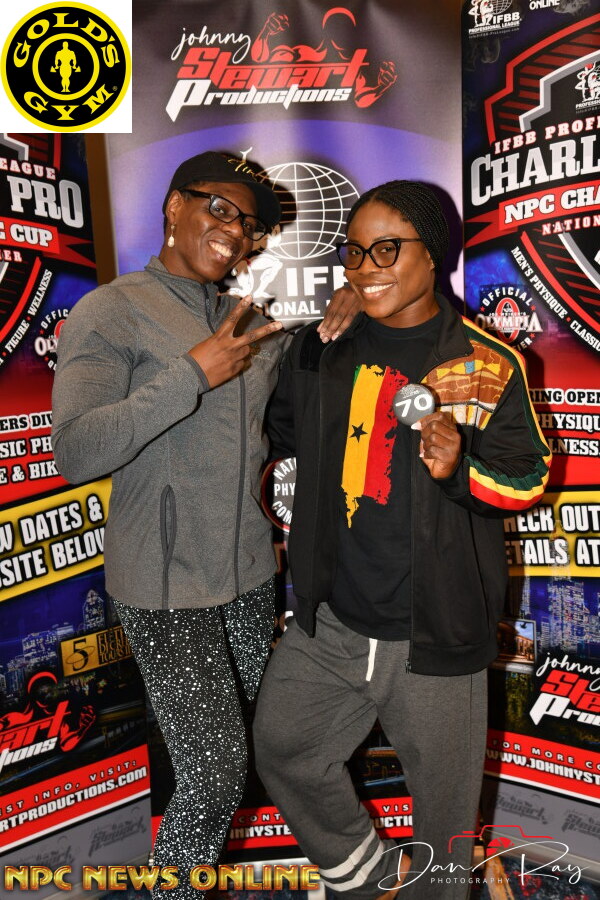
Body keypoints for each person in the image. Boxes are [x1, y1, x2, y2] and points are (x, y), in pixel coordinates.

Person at [51, 150, 354, 895]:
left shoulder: (240, 318)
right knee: (215, 774)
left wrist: (348, 312)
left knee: (259, 746)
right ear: (173, 207)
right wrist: (190, 374)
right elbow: (78, 451)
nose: (235, 230)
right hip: (163, 587)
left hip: (247, 577)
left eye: (248, 224)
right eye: (219, 208)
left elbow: (288, 404)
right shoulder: (112, 310)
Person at [254, 181, 551, 900]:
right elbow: (279, 436)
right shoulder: (322, 349)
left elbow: (528, 478)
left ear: (432, 253)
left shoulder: (488, 363)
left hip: (434, 631)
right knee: (284, 749)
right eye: (354, 252)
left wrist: (461, 468)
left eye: (386, 249)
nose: (365, 268)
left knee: (445, 825)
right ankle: (366, 874)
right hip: (332, 620)